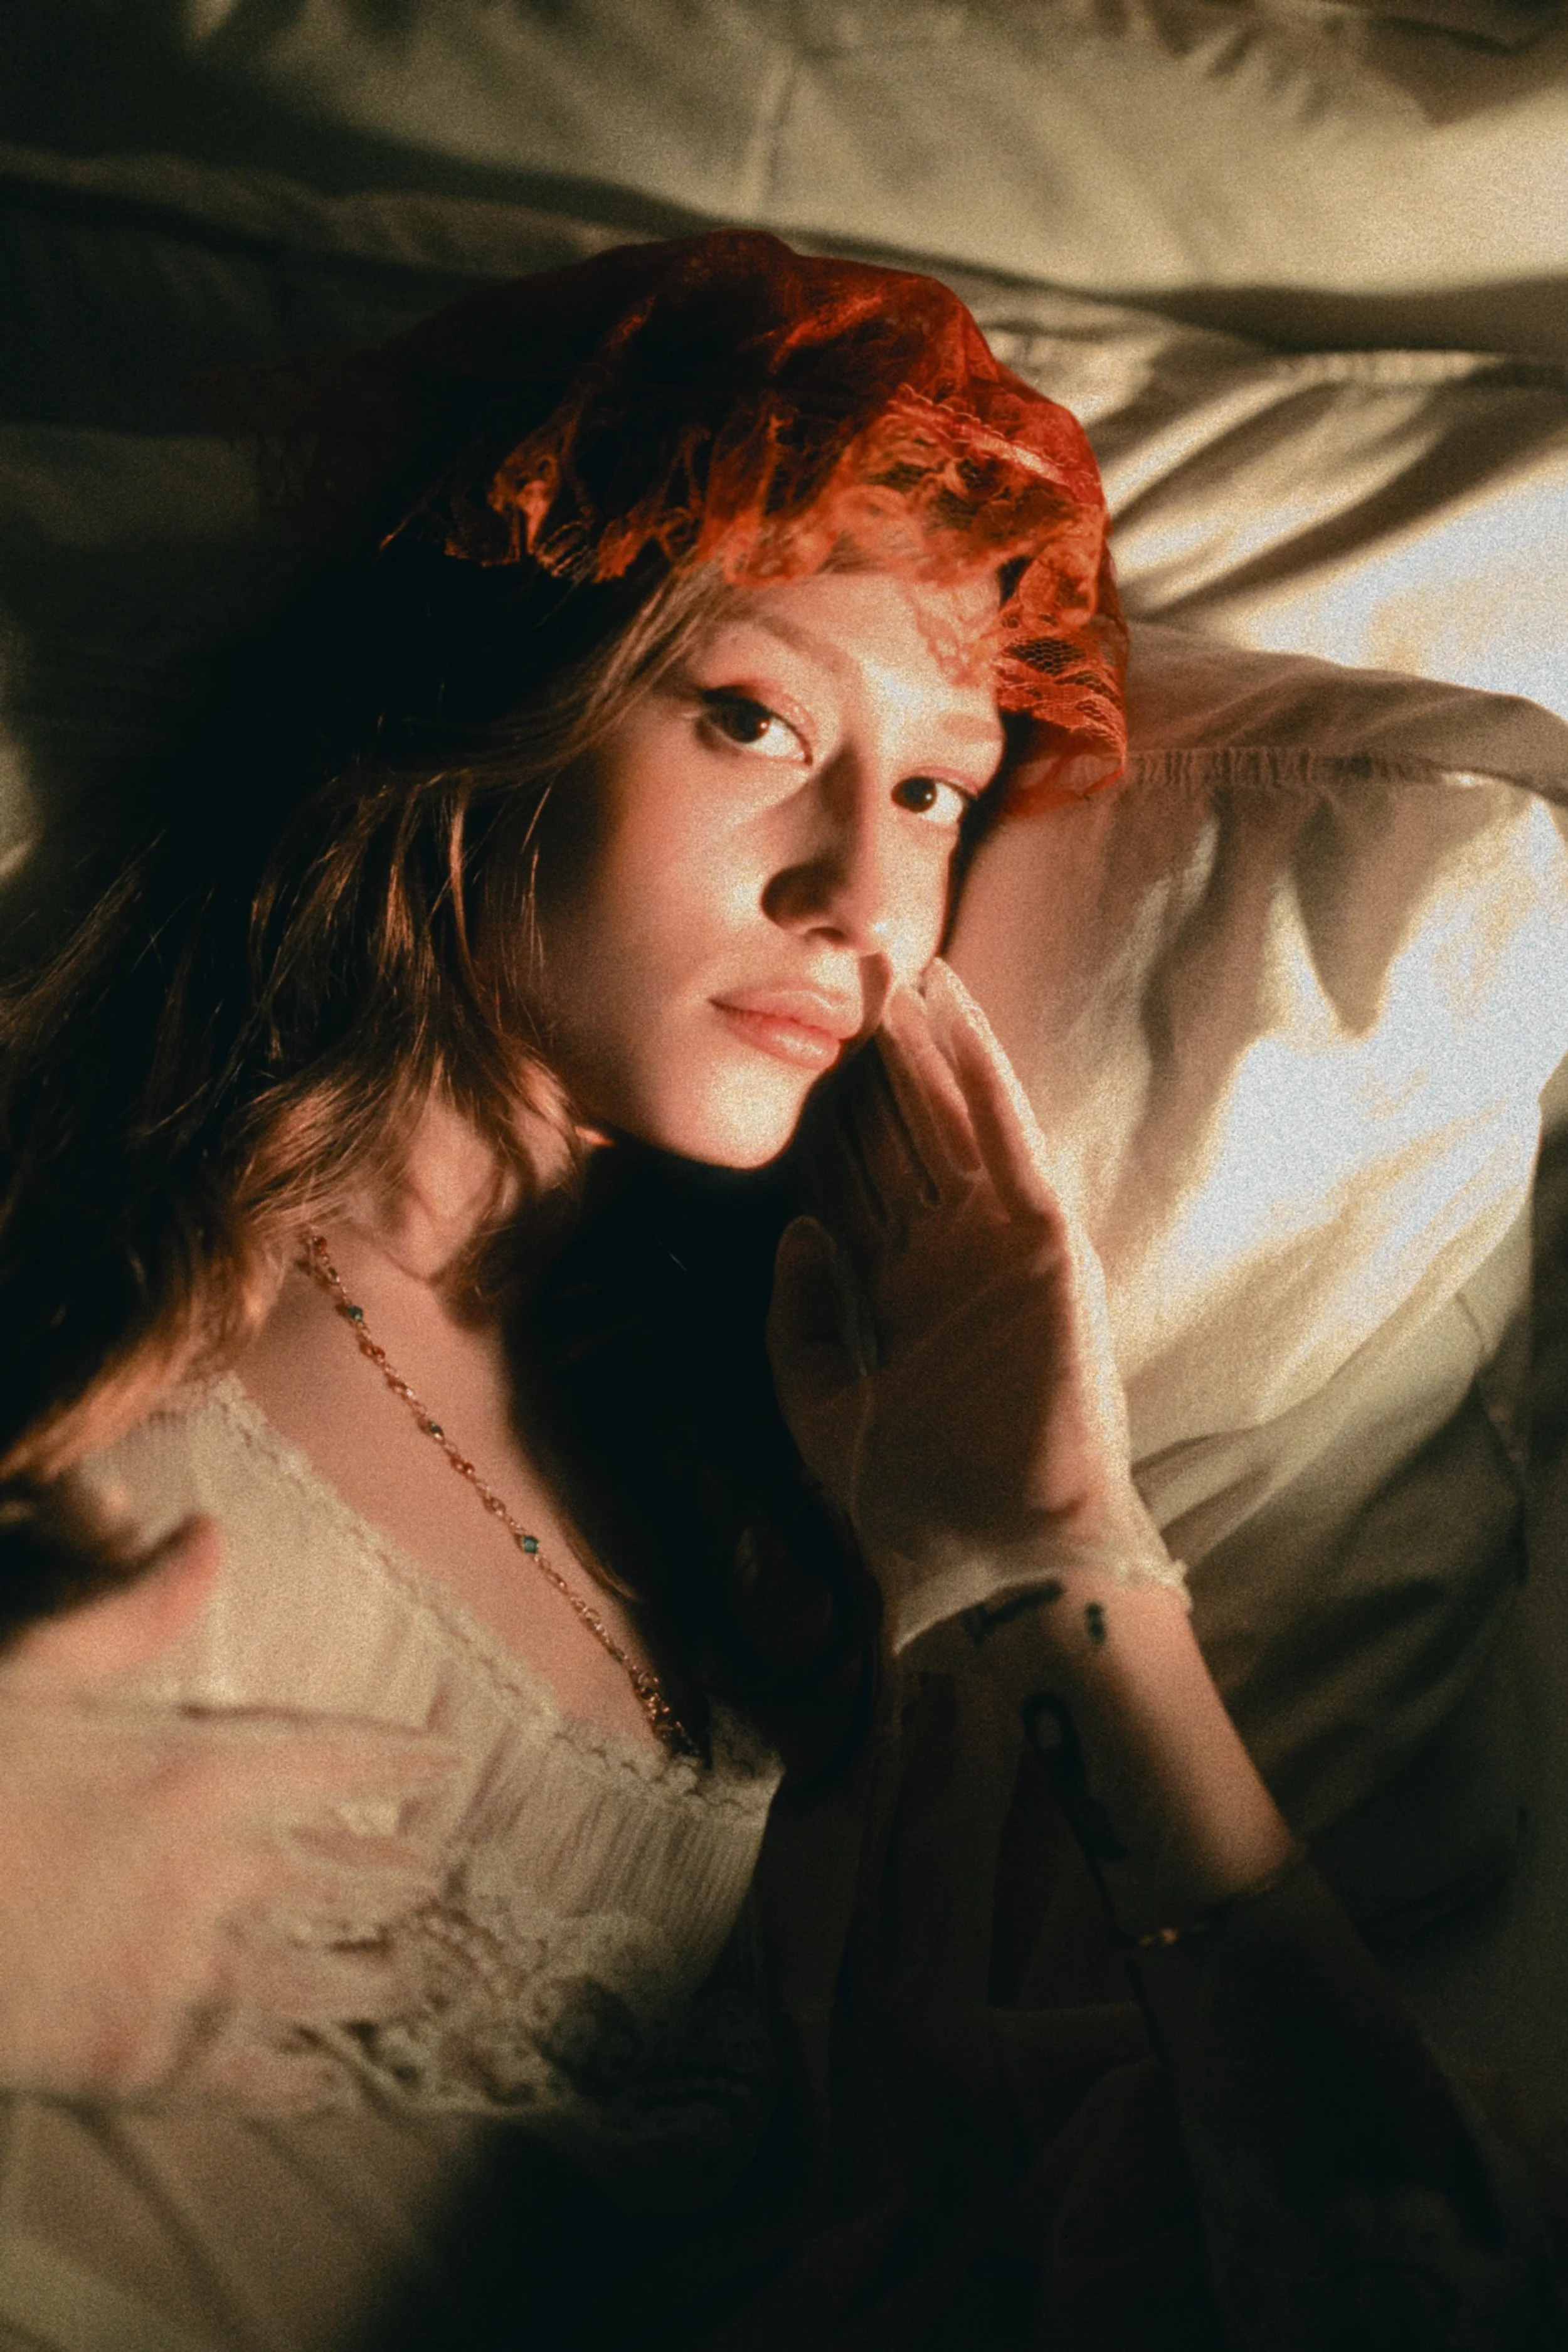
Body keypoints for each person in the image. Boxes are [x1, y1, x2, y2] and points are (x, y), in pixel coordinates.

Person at [0, 231, 1559, 2351]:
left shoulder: (789, 1554)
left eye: (935, 787)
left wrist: (1059, 1558)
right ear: (481, 706)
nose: (863, 892)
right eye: (751, 718)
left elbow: (1399, 2266)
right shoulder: (74, 1242)